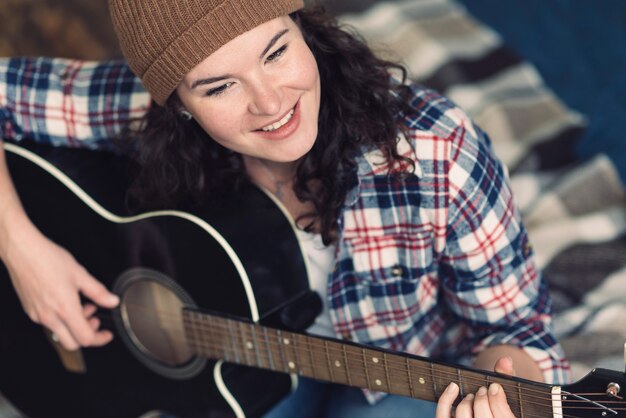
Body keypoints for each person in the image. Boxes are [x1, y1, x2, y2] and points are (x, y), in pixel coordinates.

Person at [0, 0, 570, 416]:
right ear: (177, 105)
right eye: (219, 87)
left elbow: (518, 331)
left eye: (276, 52)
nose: (270, 103)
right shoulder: (140, 112)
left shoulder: (439, 152)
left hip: (400, 374)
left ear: (303, 26)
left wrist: (507, 390)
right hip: (243, 375)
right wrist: (23, 249)